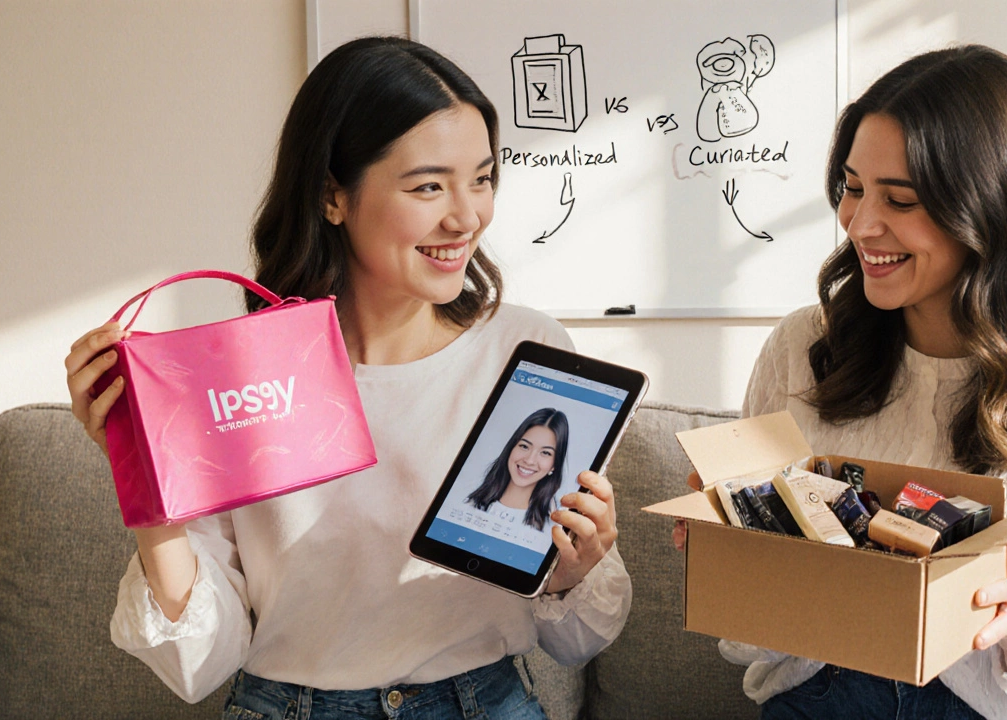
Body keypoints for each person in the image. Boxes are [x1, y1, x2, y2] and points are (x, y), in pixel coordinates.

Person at [63, 37, 630, 719]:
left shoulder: (526, 349)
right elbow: (200, 662)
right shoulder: (238, 376)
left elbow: (577, 640)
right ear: (333, 196)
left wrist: (573, 571)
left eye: (481, 178)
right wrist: (146, 483)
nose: (467, 215)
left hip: (483, 701)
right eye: (428, 185)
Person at [676, 45, 1007, 719]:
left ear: (991, 207)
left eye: (899, 199)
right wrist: (733, 561)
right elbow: (747, 644)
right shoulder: (803, 349)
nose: (859, 225)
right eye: (851, 187)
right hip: (821, 696)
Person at [467, 408, 570, 532]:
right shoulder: (472, 503)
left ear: (555, 464)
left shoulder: (555, 525)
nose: (530, 460)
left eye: (545, 453)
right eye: (524, 446)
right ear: (511, 447)